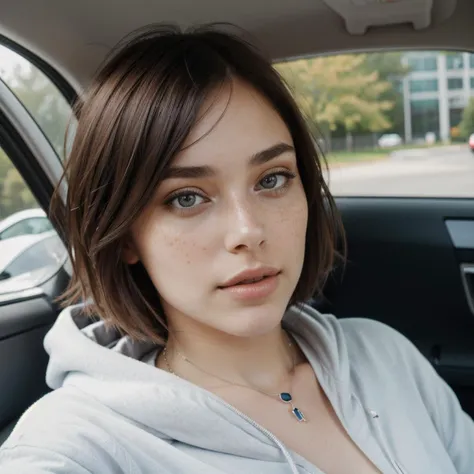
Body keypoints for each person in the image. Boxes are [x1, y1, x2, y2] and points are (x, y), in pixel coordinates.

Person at [0, 23, 473, 474]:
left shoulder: (385, 354)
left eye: (272, 179)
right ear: (126, 237)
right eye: (186, 198)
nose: (248, 231)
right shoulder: (81, 440)